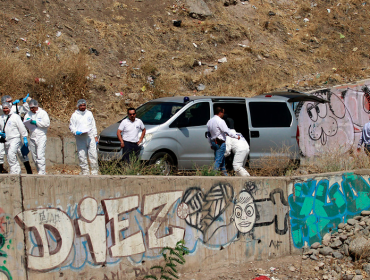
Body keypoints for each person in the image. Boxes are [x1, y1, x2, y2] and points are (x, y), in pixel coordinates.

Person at [0, 94, 32, 174]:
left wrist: (24, 137)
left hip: (15, 138)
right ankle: (16, 172)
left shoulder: (15, 116)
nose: (5, 109)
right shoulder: (1, 117)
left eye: (7, 108)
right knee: (9, 157)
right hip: (6, 140)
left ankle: (17, 172)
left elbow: (21, 127)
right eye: (4, 108)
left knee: (13, 155)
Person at [207, 106, 240, 175]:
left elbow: (208, 134)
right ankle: (212, 175)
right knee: (218, 160)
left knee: (222, 161)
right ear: (220, 112)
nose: (223, 114)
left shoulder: (210, 121)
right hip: (220, 143)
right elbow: (227, 131)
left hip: (214, 142)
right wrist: (236, 136)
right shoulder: (220, 121)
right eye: (223, 113)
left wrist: (210, 144)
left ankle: (225, 175)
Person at [69, 99, 99, 175]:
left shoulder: (89, 113)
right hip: (80, 137)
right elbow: (71, 126)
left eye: (84, 105)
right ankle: (85, 172)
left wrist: (95, 136)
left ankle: (94, 172)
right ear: (78, 106)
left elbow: (93, 125)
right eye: (81, 105)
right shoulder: (75, 115)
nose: (83, 107)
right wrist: (76, 131)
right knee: (82, 155)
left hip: (90, 136)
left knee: (93, 155)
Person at [24, 99, 50, 175]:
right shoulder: (28, 114)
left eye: (33, 108)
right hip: (32, 136)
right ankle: (39, 170)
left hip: (41, 136)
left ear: (37, 106)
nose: (32, 109)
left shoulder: (42, 113)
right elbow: (25, 123)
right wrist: (27, 122)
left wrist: (36, 122)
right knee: (34, 156)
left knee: (40, 155)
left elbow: (47, 123)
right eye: (30, 108)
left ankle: (42, 172)